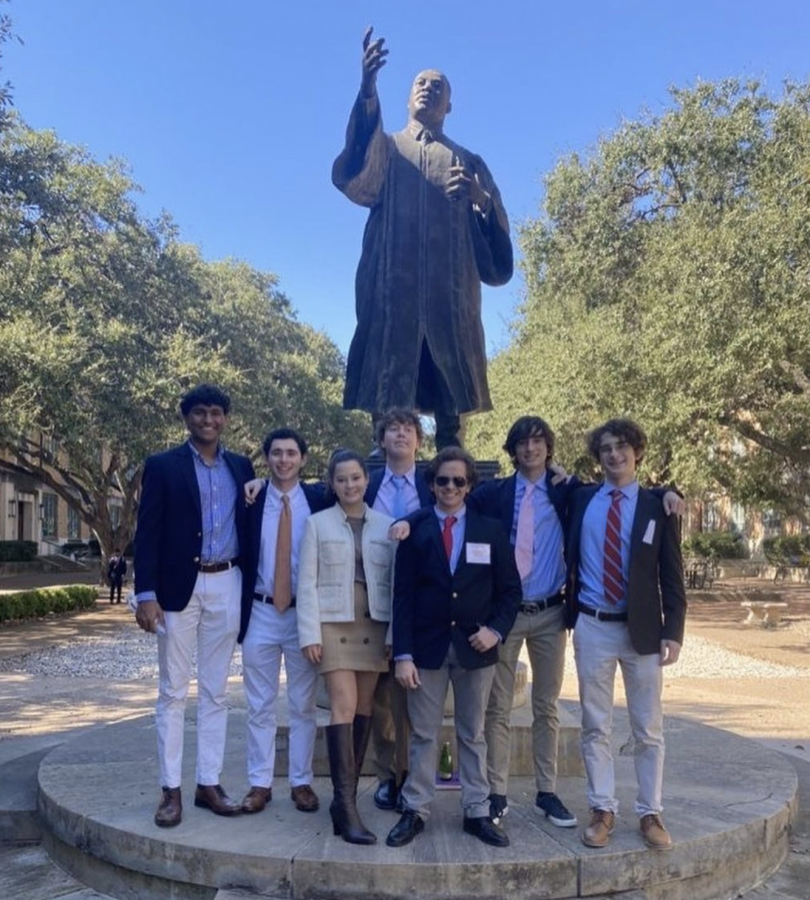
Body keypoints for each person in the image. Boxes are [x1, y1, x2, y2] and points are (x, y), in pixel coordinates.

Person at [333, 28, 513, 450]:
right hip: (393, 290)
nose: (428, 91)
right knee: (389, 372)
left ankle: (452, 454)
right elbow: (360, 180)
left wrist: (480, 199)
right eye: (420, 84)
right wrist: (366, 90)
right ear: (407, 97)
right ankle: (385, 447)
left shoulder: (469, 162)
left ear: (450, 104)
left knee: (452, 384)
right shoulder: (389, 148)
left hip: (451, 295)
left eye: (438, 87)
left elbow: (498, 259)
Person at [386, 447, 522, 849]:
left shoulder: (490, 530)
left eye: (458, 481)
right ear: (432, 484)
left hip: (475, 650)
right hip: (425, 650)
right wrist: (403, 655)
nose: (450, 487)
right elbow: (403, 597)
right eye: (443, 480)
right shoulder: (415, 530)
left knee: (473, 733)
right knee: (424, 734)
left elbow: (510, 591)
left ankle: (477, 810)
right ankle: (416, 809)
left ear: (468, 486)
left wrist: (495, 631)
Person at [134, 384, 255, 828]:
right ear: (187, 418)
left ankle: (209, 783)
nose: (209, 420)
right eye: (200, 413)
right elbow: (146, 533)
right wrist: (145, 594)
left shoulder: (242, 467)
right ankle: (171, 790)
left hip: (228, 582)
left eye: (216, 413)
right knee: (172, 691)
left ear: (225, 418)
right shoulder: (163, 466)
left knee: (217, 690)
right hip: (177, 591)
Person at [565, 419, 686, 851]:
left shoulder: (658, 506)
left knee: (647, 728)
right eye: (606, 449)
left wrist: (674, 629)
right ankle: (602, 809)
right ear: (598, 456)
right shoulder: (580, 500)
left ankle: (650, 812)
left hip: (644, 632)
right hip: (592, 625)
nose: (614, 455)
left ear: (636, 452)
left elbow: (672, 575)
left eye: (622, 447)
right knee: (595, 725)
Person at [296, 449, 396, 845]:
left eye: (355, 478)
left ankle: (345, 801)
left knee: (366, 708)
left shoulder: (387, 526)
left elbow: (394, 586)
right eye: (341, 479)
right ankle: (347, 805)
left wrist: (394, 636)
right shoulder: (317, 524)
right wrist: (310, 633)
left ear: (366, 481)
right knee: (343, 705)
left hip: (374, 624)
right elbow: (307, 582)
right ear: (332, 484)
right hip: (333, 624)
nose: (349, 485)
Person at [237, 428, 327, 816]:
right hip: (259, 611)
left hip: (302, 616)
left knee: (303, 704)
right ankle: (259, 783)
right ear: (267, 457)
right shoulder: (251, 499)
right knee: (259, 704)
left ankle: (300, 781)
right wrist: (254, 484)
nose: (284, 460)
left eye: (291, 453)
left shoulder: (320, 499)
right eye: (276, 453)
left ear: (303, 459)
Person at [365, 409, 432, 814]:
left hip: (423, 601)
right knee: (381, 699)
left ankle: (412, 776)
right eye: (393, 428)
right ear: (382, 439)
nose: (401, 434)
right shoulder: (367, 483)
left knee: (415, 696)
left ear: (419, 442)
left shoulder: (433, 483)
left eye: (409, 429)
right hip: (374, 600)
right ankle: (387, 776)